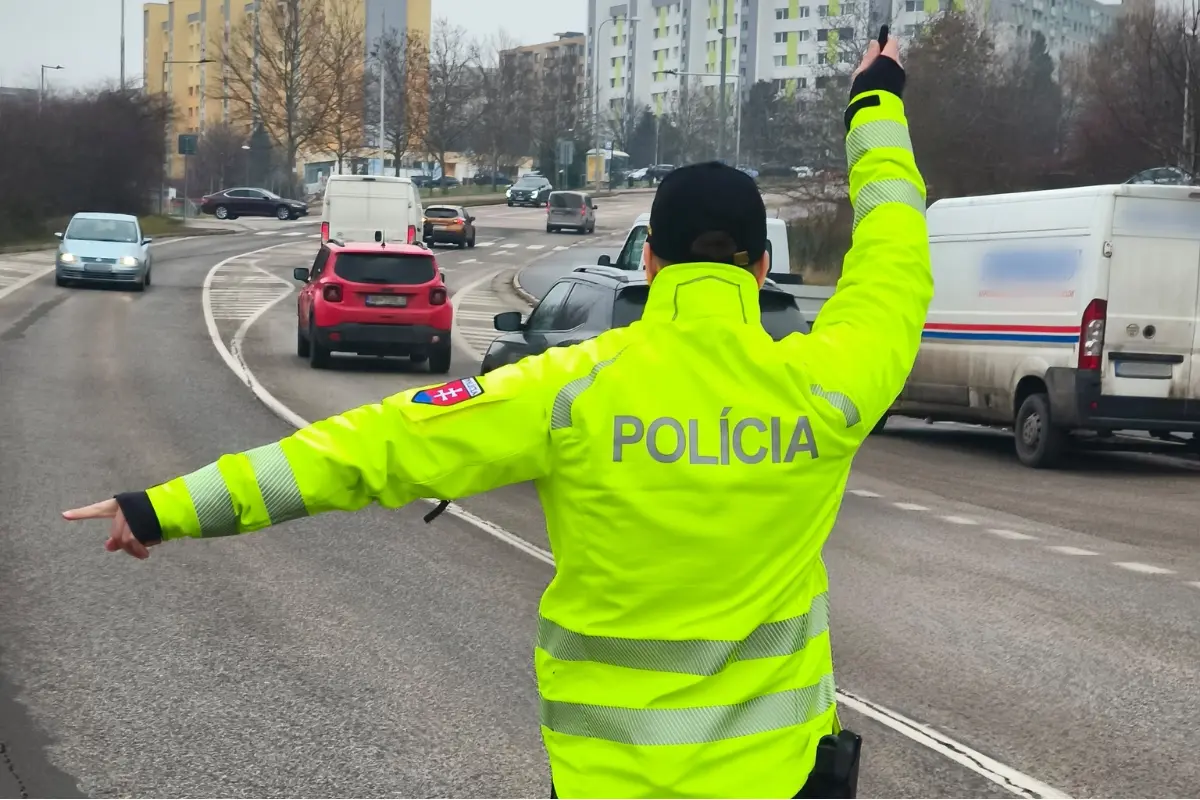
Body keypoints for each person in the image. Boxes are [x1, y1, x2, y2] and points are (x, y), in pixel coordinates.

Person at [65, 35, 930, 800]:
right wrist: (875, 101)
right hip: (778, 782)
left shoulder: (568, 390)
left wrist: (163, 508)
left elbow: (371, 449)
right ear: (763, 263)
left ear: (652, 260)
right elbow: (895, 251)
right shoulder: (827, 383)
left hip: (605, 782)